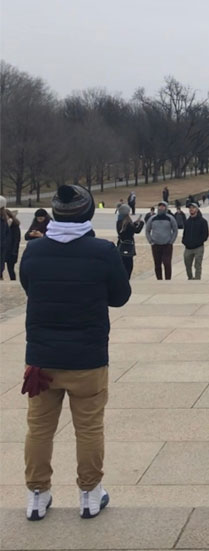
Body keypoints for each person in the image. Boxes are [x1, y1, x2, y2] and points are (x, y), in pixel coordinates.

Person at [19, 184, 131, 521]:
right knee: (89, 428)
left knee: (39, 429)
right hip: (87, 358)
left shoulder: (34, 251)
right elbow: (120, 296)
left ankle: (37, 494)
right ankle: (89, 493)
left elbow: (29, 287)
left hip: (42, 359)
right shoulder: (102, 251)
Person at [145, 200, 178, 280]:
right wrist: (150, 241)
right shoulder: (152, 218)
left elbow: (175, 230)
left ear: (166, 208)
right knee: (157, 264)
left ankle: (168, 280)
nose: (161, 208)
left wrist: (171, 241)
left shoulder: (170, 218)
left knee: (167, 263)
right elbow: (147, 230)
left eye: (163, 206)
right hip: (155, 245)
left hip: (167, 245)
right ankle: (159, 279)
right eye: (160, 206)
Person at [115, 204, 144, 279]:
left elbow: (126, 230)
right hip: (129, 245)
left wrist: (134, 223)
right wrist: (141, 223)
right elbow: (136, 230)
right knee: (129, 265)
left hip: (121, 243)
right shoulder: (128, 222)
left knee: (122, 263)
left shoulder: (119, 222)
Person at [182, 201, 209, 280]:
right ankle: (190, 278)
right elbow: (185, 233)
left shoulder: (203, 221)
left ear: (197, 209)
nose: (191, 209)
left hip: (198, 247)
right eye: (190, 208)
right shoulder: (187, 222)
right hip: (188, 248)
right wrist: (184, 241)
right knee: (187, 264)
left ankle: (197, 279)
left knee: (197, 264)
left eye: (193, 208)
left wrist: (199, 242)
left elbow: (205, 235)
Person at [1, 204, 21, 280]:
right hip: (3, 249)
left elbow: (16, 240)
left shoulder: (15, 226)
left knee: (11, 269)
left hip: (11, 251)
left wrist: (14, 251)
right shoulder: (2, 225)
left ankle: (13, 280)